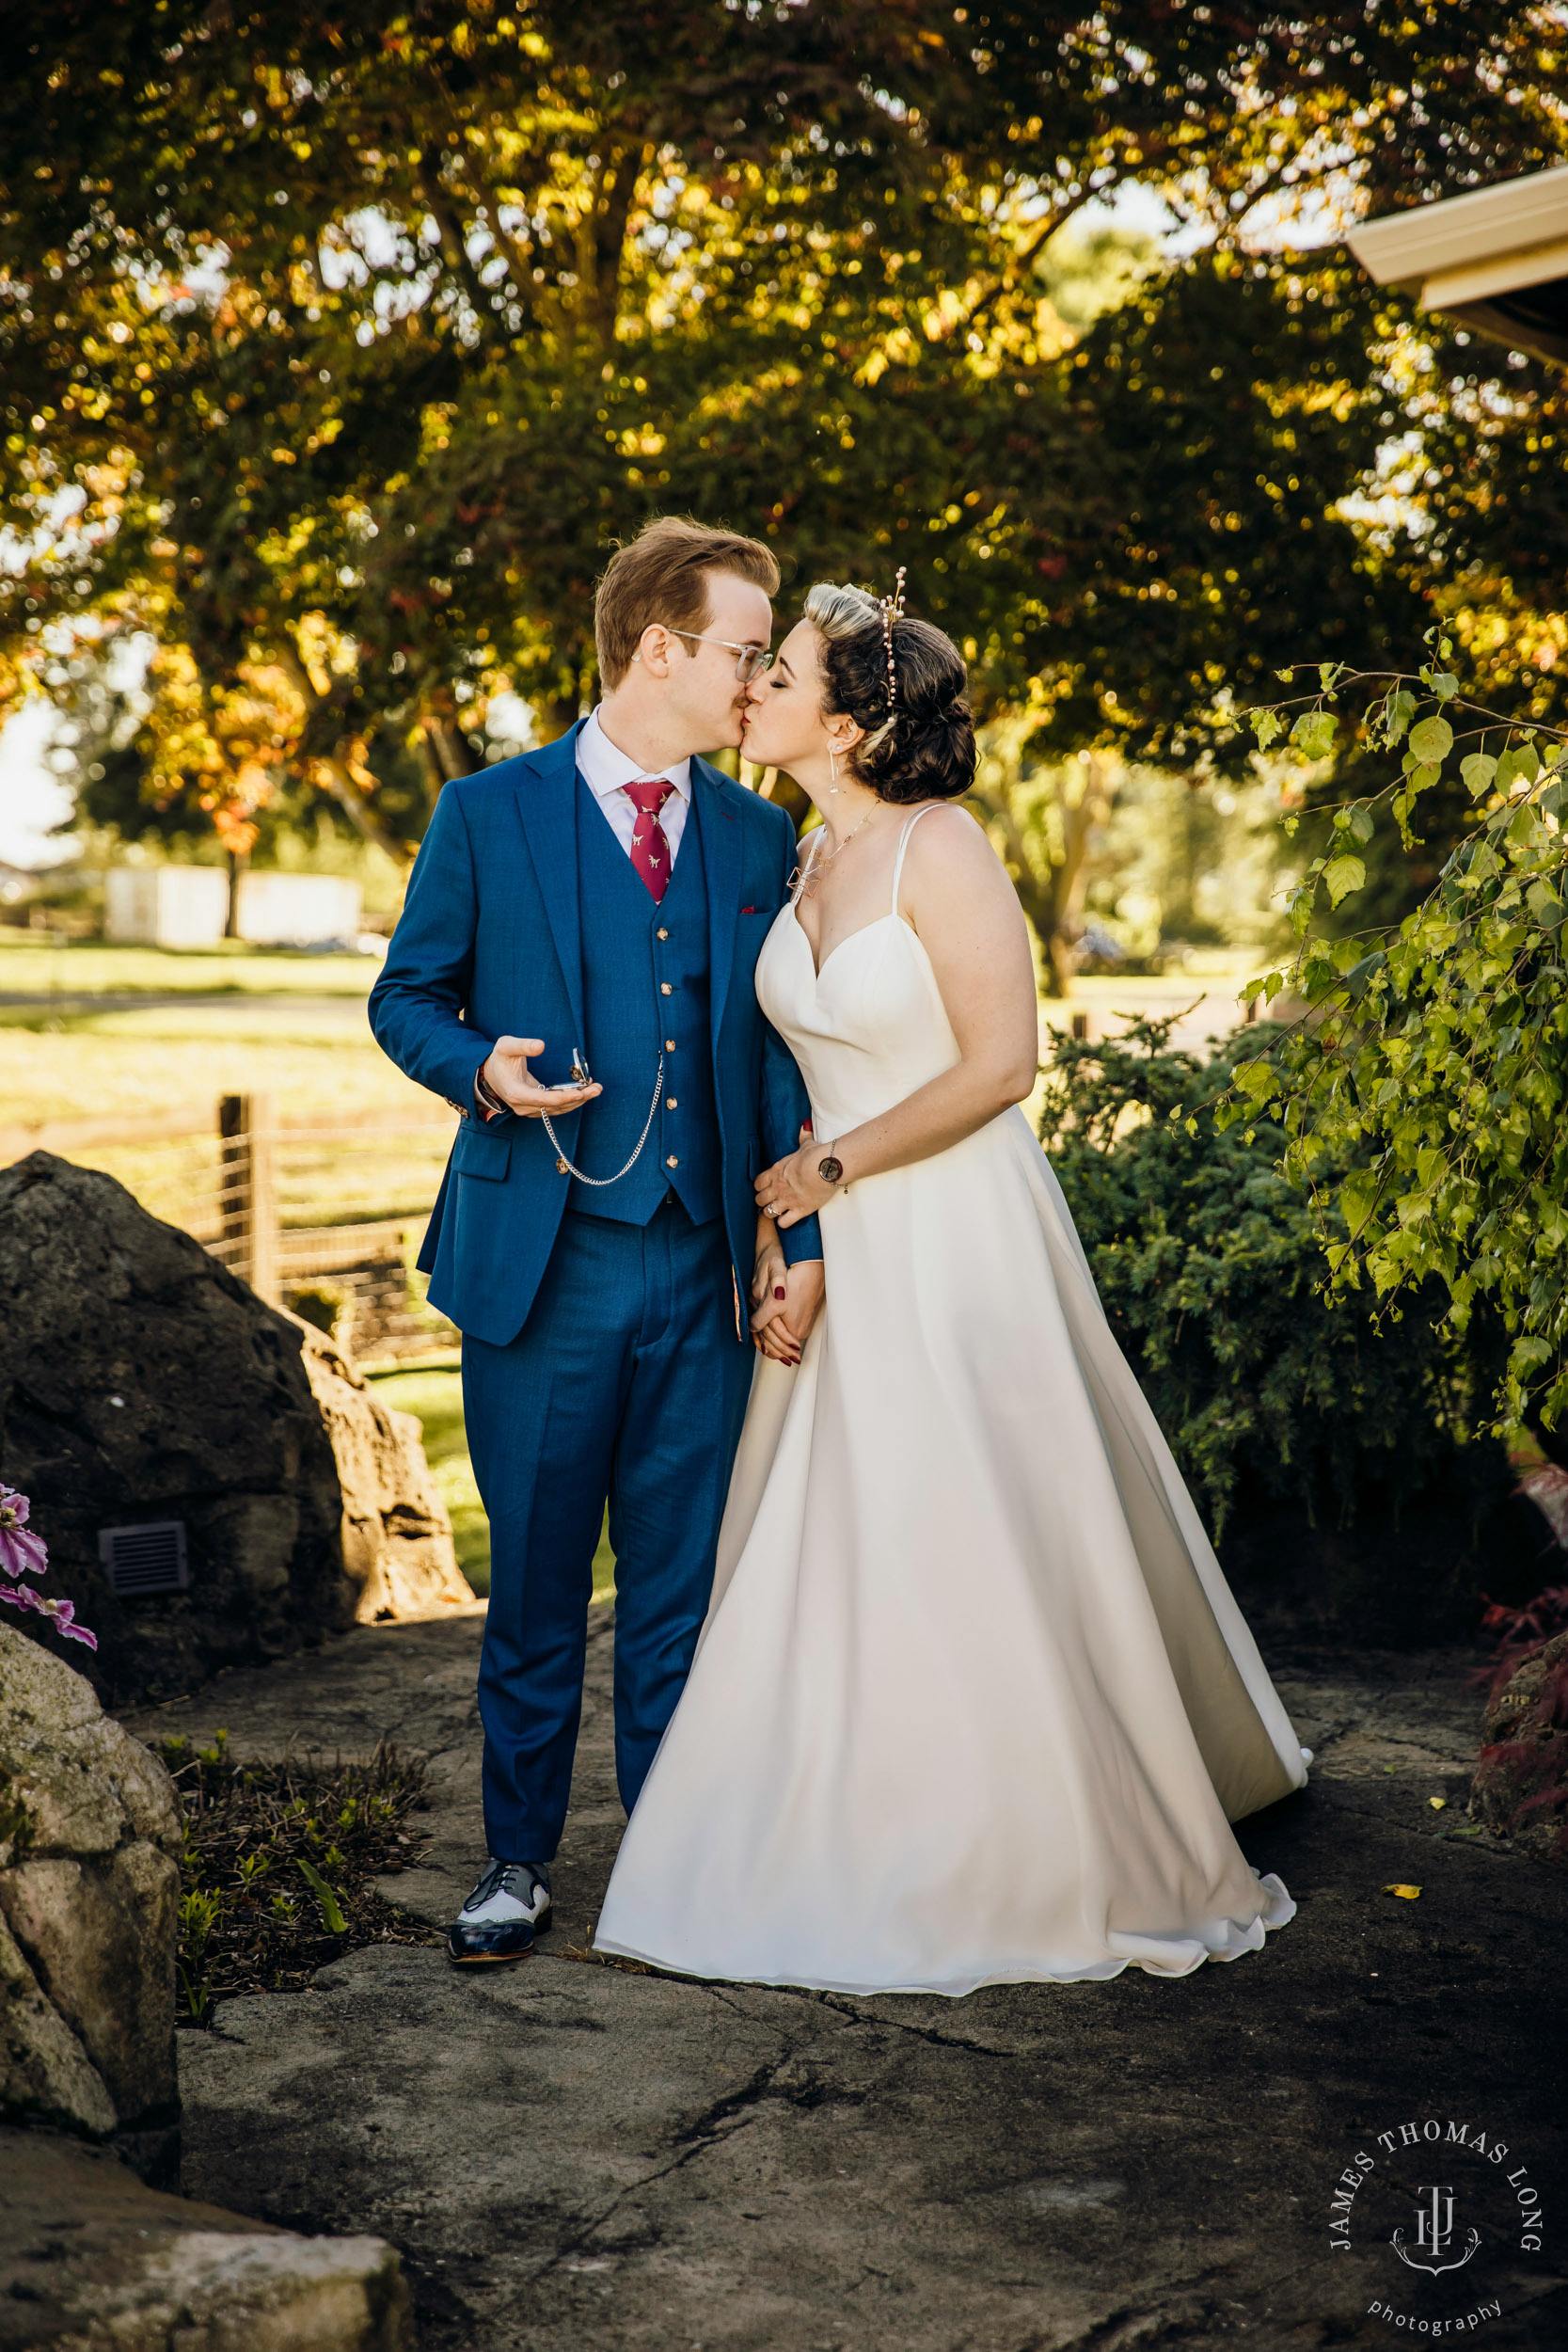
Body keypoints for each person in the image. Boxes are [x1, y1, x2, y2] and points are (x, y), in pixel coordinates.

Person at [594, 579, 1311, 1994]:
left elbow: (1000, 1068)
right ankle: (837, 1818)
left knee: (964, 1518)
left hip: (951, 1229)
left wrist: (833, 1177)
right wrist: (788, 1247)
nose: (755, 693)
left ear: (854, 723)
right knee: (837, 1541)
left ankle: (1029, 1845)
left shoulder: (945, 847)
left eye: (781, 678)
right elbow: (791, 1085)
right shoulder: (794, 856)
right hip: (838, 1237)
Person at [369, 517, 825, 1965]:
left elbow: (771, 1054)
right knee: (540, 1584)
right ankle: (516, 1861)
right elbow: (404, 998)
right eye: (745, 656)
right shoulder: (485, 813)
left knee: (681, 1590)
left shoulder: (760, 836)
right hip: (541, 1266)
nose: (757, 685)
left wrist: (786, 1229)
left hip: (699, 1266)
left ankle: (672, 1867)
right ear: (659, 649)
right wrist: (479, 1070)